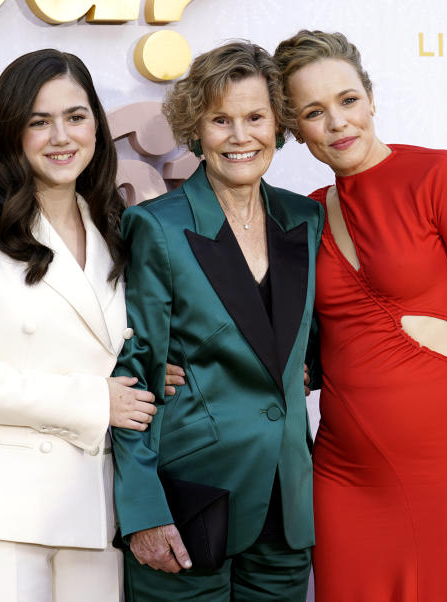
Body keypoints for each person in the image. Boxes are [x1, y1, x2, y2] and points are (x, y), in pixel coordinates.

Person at [0, 49, 182, 602]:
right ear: (11, 132)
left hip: (93, 502)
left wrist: (155, 374)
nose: (61, 136)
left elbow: (112, 350)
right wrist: (94, 401)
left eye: (76, 117)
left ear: (97, 128)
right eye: (39, 121)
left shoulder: (116, 230)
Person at [273, 31, 447, 600]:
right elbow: (306, 340)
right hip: (344, 476)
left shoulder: (441, 176)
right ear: (295, 129)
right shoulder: (307, 214)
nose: (338, 123)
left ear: (369, 97)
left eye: (347, 100)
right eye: (314, 112)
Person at [110, 41, 324, 601]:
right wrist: (143, 510)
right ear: (195, 128)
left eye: (255, 117)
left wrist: (303, 365)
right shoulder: (156, 227)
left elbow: (322, 334)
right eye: (219, 119)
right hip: (190, 500)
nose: (239, 136)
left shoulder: (305, 218)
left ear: (278, 123)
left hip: (287, 500)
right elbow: (134, 375)